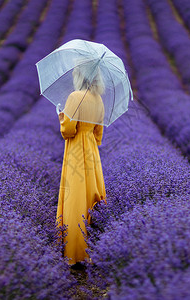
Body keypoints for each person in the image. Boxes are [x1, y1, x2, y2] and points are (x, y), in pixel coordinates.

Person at [56, 61, 107, 267]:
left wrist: (61, 116)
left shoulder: (75, 97)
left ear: (80, 76)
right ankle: (94, 248)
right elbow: (99, 135)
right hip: (92, 154)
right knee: (90, 196)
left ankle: (75, 253)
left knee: (75, 199)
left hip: (77, 150)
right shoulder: (99, 100)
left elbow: (67, 131)